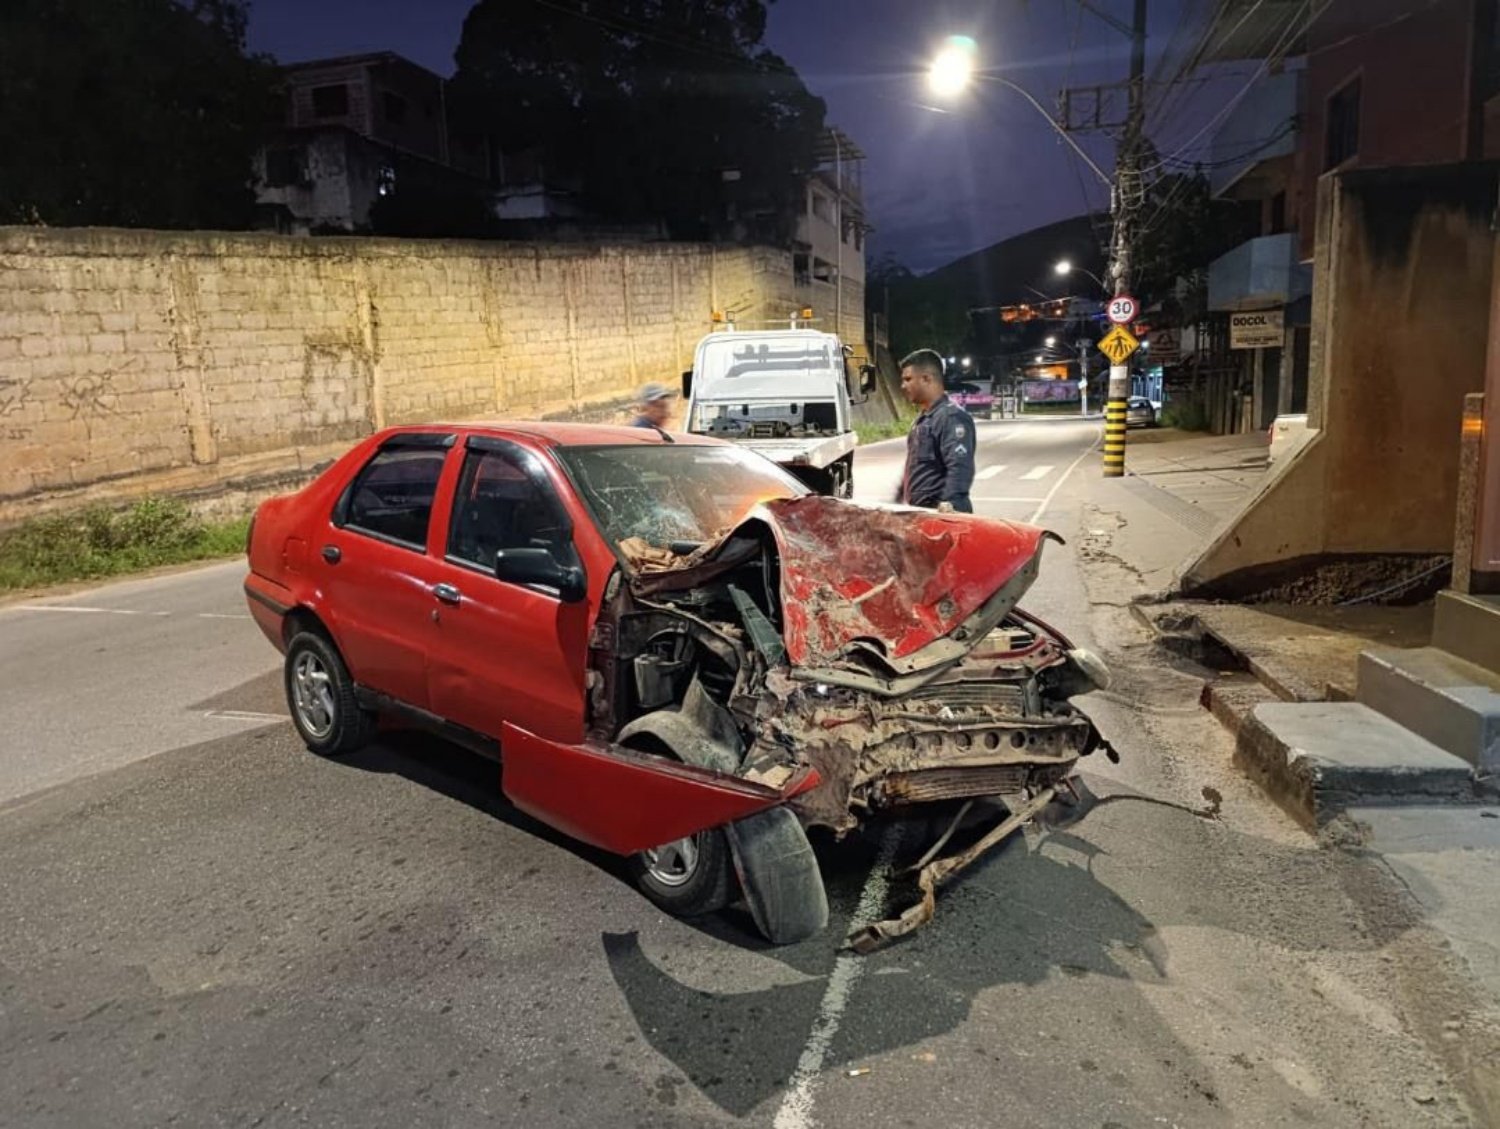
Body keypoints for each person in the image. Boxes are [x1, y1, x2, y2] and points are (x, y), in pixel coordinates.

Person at [896, 348, 975, 513]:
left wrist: (948, 509)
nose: (903, 385)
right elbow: (917, 469)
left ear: (927, 379)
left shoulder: (951, 417)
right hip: (922, 515)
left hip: (941, 519)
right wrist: (897, 501)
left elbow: (959, 468)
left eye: (908, 379)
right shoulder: (923, 419)